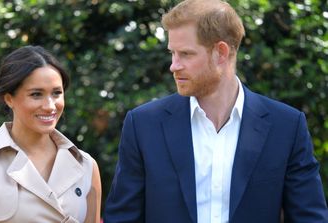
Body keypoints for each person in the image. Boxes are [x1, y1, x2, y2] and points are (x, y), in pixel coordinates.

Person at [103, 0, 328, 222]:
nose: (174, 65)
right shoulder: (143, 125)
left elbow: (309, 218)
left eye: (186, 54)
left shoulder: (286, 126)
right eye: (172, 53)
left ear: (221, 52)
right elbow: (122, 218)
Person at [0, 45, 101, 223]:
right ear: (9, 98)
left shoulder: (86, 166)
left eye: (57, 93)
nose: (50, 106)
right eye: (36, 94)